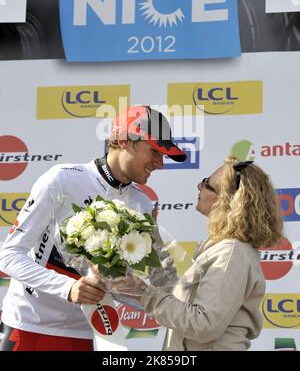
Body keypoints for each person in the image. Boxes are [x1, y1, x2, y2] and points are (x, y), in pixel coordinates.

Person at [0, 105, 186, 351]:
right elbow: (9, 256)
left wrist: (183, 305)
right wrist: (68, 287)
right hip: (30, 325)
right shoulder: (62, 180)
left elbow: (127, 283)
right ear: (125, 141)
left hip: (85, 331)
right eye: (154, 151)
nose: (160, 164)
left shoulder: (142, 204)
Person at [109, 156, 284, 351]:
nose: (199, 186)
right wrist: (152, 236)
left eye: (206, 183)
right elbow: (176, 295)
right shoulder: (221, 247)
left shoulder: (232, 253)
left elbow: (203, 324)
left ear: (226, 199)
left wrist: (143, 293)